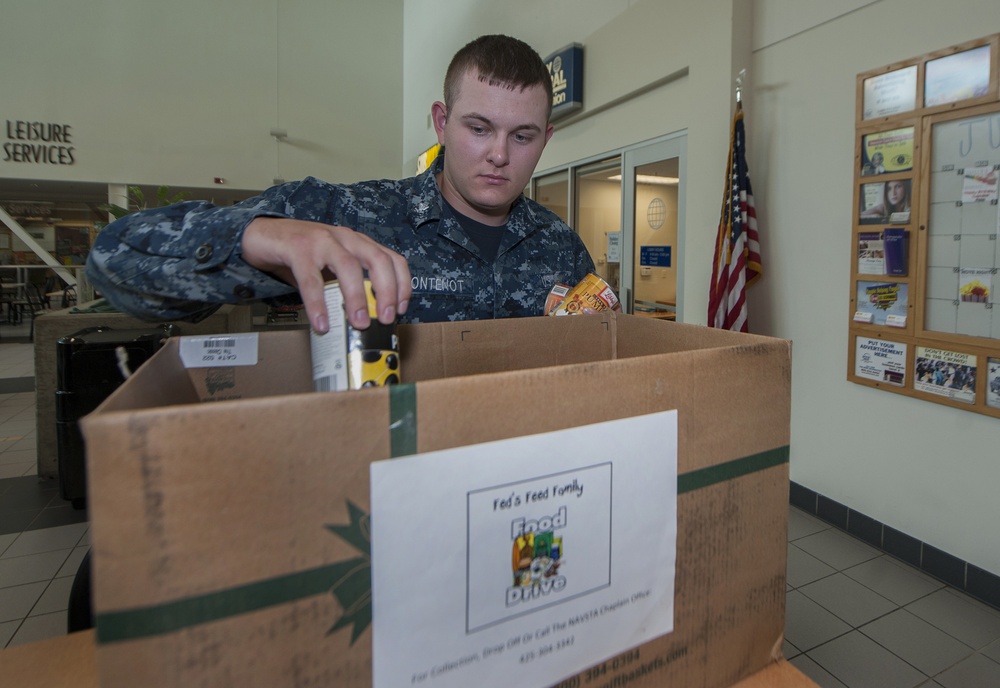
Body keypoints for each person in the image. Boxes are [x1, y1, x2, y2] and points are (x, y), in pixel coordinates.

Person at [86, 34, 595, 333]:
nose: (500, 154)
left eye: (522, 136)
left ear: (545, 138)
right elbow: (114, 260)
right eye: (479, 128)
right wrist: (258, 237)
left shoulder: (562, 249)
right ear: (441, 122)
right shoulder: (350, 217)